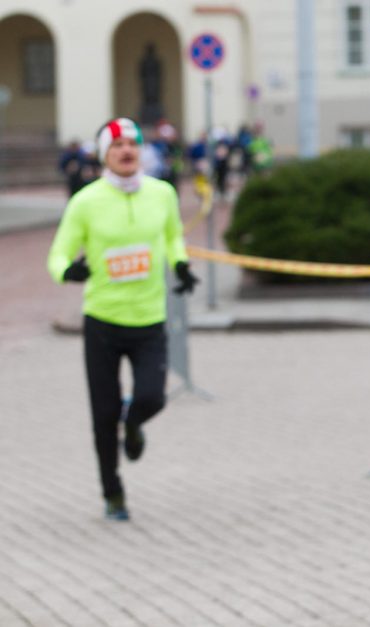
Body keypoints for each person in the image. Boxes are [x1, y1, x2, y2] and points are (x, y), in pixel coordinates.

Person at [47, 117, 199, 522]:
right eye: (117, 146)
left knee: (152, 397)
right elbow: (58, 254)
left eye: (132, 143)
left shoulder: (162, 193)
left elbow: (171, 236)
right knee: (102, 415)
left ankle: (133, 424)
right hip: (102, 321)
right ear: (104, 156)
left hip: (149, 318)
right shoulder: (85, 202)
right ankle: (113, 493)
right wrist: (68, 272)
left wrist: (180, 265)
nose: (127, 150)